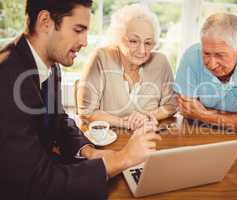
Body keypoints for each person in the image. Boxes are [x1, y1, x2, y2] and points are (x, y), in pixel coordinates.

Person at [0, 1, 161, 200]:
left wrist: (88, 152)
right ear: (45, 22)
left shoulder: (49, 65)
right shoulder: (7, 76)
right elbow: (37, 183)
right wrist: (121, 159)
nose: (85, 42)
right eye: (78, 30)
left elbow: (59, 120)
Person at [77, 4, 176, 131]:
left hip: (149, 136)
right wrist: (125, 123)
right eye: (134, 41)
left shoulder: (161, 62)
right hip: (110, 139)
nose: (142, 51)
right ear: (118, 38)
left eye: (148, 43)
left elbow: (171, 106)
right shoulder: (100, 58)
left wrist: (146, 116)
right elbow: (86, 112)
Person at [175, 13, 237, 132]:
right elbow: (186, 110)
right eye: (206, 53)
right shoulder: (191, 56)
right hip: (195, 130)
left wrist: (204, 115)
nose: (211, 64)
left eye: (220, 55)